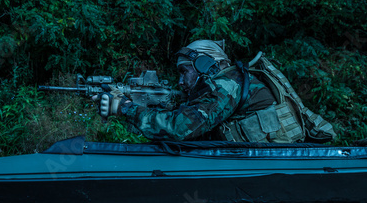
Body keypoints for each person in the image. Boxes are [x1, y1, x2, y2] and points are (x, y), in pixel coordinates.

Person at [94, 39, 318, 143]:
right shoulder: (232, 81)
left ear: (205, 65)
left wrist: (125, 108)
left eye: (184, 72)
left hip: (265, 166)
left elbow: (178, 129)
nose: (180, 82)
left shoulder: (227, 86)